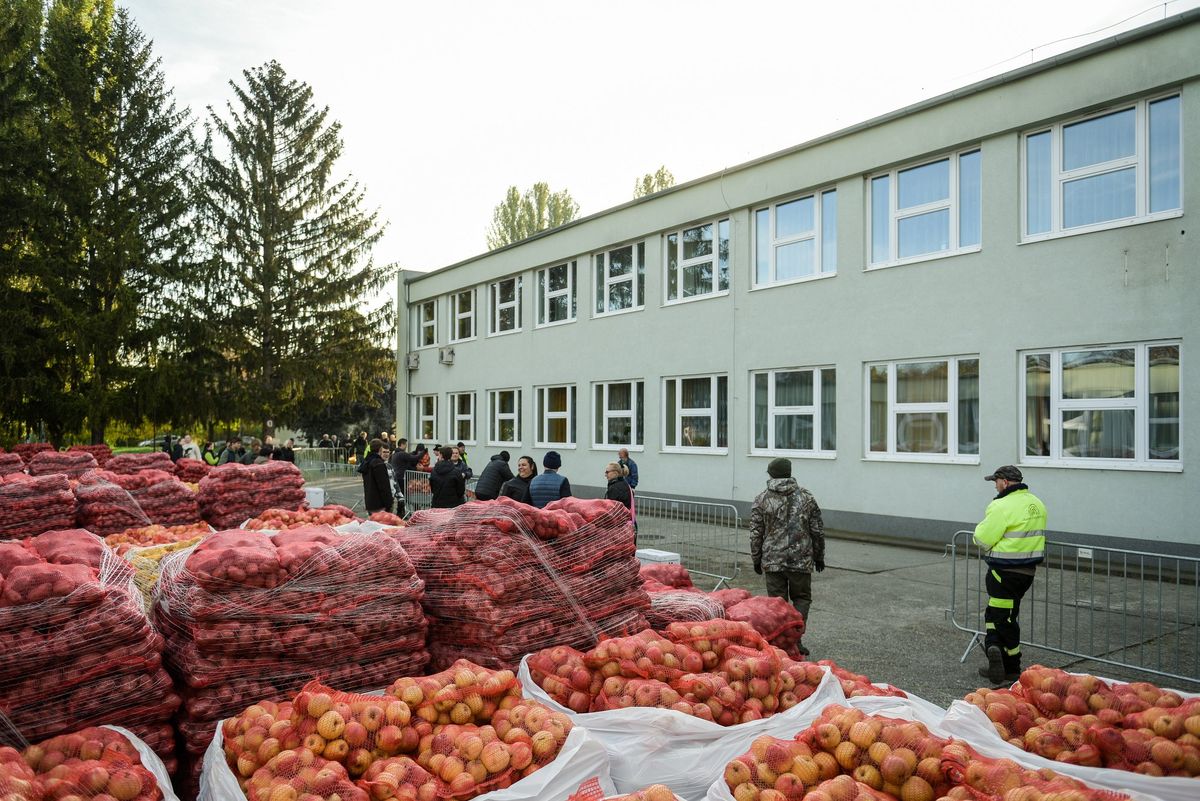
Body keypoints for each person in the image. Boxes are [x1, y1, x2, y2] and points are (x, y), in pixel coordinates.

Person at [973, 465, 1047, 685]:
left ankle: (1003, 658)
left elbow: (983, 538)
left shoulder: (1001, 505)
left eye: (995, 482)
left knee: (1000, 618)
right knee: (1006, 614)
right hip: (1026, 573)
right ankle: (1004, 659)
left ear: (1004, 482)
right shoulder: (1036, 503)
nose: (995, 486)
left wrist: (978, 535)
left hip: (1003, 572)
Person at [749, 457, 825, 657]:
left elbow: (756, 532)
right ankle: (796, 639)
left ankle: (780, 643)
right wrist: (819, 556)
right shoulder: (806, 498)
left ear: (771, 474)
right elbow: (817, 530)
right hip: (801, 560)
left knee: (777, 604)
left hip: (773, 561)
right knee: (801, 598)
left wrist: (756, 558)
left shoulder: (762, 499)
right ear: (789, 473)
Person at [357, 439, 394, 514]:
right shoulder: (378, 463)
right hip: (379, 503)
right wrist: (389, 503)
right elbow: (384, 485)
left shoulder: (367, 461)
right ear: (380, 449)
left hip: (370, 501)